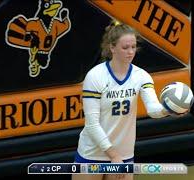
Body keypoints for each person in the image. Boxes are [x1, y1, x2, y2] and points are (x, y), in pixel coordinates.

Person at [72, 20, 170, 180]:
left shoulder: (142, 76)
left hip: (123, 152)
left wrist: (169, 110)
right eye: (125, 48)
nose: (130, 52)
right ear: (112, 48)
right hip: (93, 152)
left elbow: (153, 109)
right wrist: (113, 155)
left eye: (133, 47)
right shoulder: (95, 76)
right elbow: (91, 124)